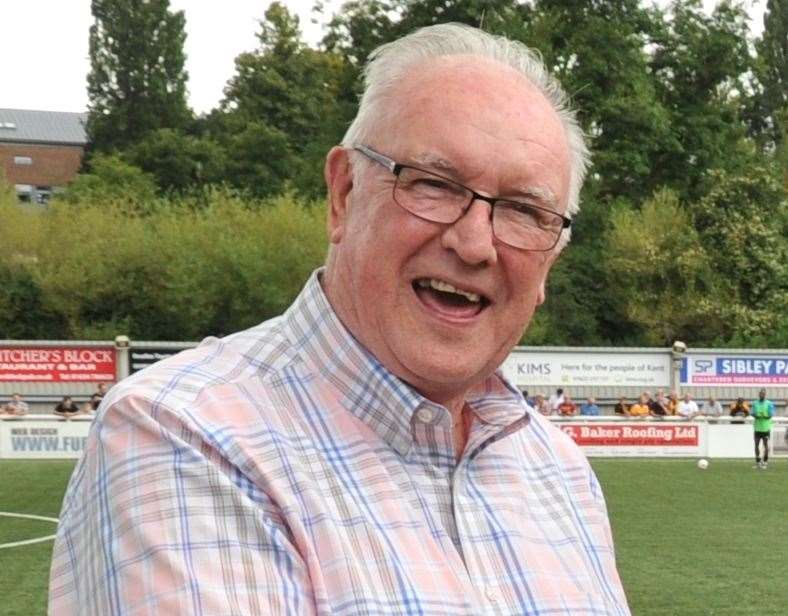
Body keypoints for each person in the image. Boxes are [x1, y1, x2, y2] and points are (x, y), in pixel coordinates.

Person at [50, 24, 629, 615]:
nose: (476, 244)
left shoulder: (560, 474)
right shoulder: (180, 434)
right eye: (434, 185)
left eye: (525, 211)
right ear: (344, 194)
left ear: (550, 262)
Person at [752, 388, 775, 470]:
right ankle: (758, 462)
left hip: (766, 428)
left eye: (763, 394)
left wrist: (765, 416)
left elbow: (771, 414)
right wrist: (756, 415)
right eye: (761, 394)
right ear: (759, 394)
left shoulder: (769, 403)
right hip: (757, 428)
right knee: (756, 445)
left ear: (765, 395)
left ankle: (765, 462)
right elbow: (752, 413)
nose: (762, 395)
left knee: (766, 446)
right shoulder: (755, 403)